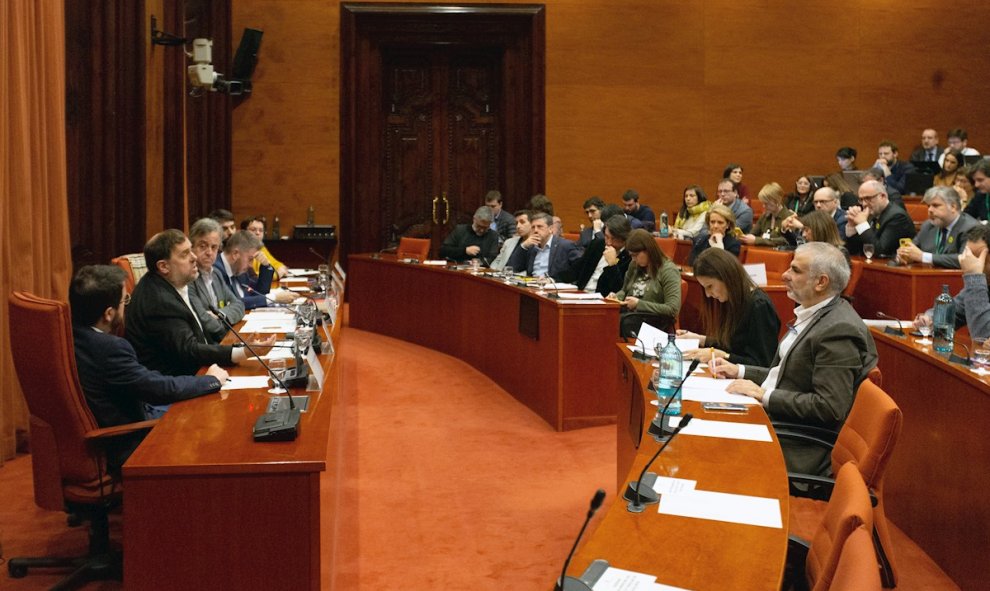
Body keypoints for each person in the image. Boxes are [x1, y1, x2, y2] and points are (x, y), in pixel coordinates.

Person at [711, 242, 879, 476]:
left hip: (797, 446)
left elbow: (829, 407)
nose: (784, 275)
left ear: (821, 282)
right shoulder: (813, 313)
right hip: (776, 422)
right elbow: (784, 374)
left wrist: (765, 395)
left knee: (709, 452)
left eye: (795, 270)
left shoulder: (839, 329)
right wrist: (738, 370)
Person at [70, 265, 229, 471]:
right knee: (213, 424)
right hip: (129, 439)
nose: (127, 306)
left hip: (123, 418)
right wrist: (211, 380)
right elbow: (159, 389)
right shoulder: (110, 348)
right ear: (109, 314)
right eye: (125, 300)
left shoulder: (70, 335)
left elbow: (144, 381)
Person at [126, 229, 267, 377]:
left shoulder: (177, 283)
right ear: (164, 267)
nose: (194, 257)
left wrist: (241, 346)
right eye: (185, 254)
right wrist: (242, 351)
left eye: (191, 250)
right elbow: (189, 351)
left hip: (199, 369)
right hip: (178, 384)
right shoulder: (159, 300)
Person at [677, 248, 780, 367]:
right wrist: (700, 339)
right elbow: (734, 344)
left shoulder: (759, 306)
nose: (708, 294)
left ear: (726, 277)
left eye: (710, 286)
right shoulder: (731, 300)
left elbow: (762, 365)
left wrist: (721, 355)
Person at [915, 224, 990, 341]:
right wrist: (930, 318)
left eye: (977, 257)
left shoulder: (978, 281)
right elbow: (954, 312)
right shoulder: (984, 282)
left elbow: (983, 335)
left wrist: (974, 277)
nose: (971, 263)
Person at [608, 228, 681, 328]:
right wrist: (616, 298)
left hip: (653, 323)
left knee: (614, 324)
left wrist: (639, 304)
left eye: (636, 255)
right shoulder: (634, 265)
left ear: (648, 250)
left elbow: (672, 309)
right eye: (631, 255)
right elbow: (624, 291)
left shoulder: (668, 270)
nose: (633, 259)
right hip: (630, 317)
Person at [187, 218, 245, 343]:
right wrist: (225, 321)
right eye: (203, 246)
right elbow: (204, 321)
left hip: (222, 341)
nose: (209, 252)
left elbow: (239, 305)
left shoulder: (217, 274)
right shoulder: (188, 279)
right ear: (191, 248)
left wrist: (220, 314)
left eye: (214, 247)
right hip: (207, 346)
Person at [897, 186, 978, 268]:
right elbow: (913, 249)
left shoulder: (971, 228)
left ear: (953, 207)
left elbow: (964, 260)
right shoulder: (928, 226)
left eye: (935, 206)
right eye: (928, 206)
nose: (930, 210)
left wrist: (923, 257)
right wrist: (905, 254)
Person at [216, 230, 291, 309]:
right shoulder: (216, 271)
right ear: (235, 254)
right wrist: (273, 298)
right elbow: (231, 303)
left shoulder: (239, 268)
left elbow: (259, 292)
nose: (251, 265)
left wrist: (266, 265)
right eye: (250, 259)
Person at [844, 179, 916, 257]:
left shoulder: (897, 217)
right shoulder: (870, 214)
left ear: (882, 196)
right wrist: (852, 226)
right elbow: (853, 251)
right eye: (861, 200)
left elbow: (880, 251)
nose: (864, 204)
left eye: (868, 198)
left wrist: (862, 224)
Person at [506, 212, 581, 281]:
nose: (535, 230)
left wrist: (553, 280)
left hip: (552, 288)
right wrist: (523, 246)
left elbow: (578, 270)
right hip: (531, 286)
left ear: (550, 229)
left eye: (539, 227)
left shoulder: (565, 245)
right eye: (533, 227)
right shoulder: (531, 247)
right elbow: (512, 268)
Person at [741, 182, 795, 247]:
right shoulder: (764, 216)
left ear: (777, 201)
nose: (763, 206)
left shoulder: (789, 217)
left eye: (766, 203)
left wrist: (757, 240)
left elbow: (785, 240)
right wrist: (745, 238)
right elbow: (753, 233)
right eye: (763, 203)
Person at [783, 187, 847, 238]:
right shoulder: (813, 218)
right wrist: (785, 228)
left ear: (835, 202)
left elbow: (834, 241)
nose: (818, 205)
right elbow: (799, 241)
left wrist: (803, 228)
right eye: (816, 202)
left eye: (822, 201)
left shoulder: (843, 219)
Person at [593, 215, 633, 296]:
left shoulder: (631, 257)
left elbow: (621, 291)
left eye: (614, 239)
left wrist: (612, 265)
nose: (609, 242)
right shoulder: (598, 244)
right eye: (607, 237)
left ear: (624, 238)